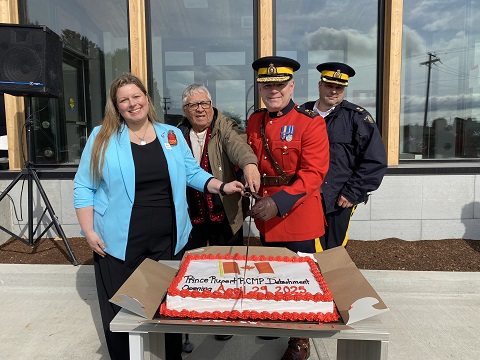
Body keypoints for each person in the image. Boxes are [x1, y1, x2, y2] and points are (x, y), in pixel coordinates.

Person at [73, 73, 244, 360]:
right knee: (122, 311)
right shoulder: (101, 136)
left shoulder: (171, 134)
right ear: (116, 106)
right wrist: (89, 231)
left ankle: (168, 355)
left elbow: (192, 173)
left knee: (168, 308)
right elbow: (84, 186)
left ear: (147, 99)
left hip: (168, 238)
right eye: (124, 99)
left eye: (136, 96)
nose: (132, 103)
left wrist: (223, 186)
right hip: (118, 240)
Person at [246, 56, 330, 360]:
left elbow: (314, 173)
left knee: (301, 280)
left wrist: (278, 201)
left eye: (279, 85)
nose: (273, 91)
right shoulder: (255, 120)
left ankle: (300, 339)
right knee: (271, 273)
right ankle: (276, 316)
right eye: (267, 85)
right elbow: (252, 158)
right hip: (266, 216)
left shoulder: (310, 122)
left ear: (291, 85)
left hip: (297, 214)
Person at [177, 84, 260, 342]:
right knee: (192, 270)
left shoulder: (224, 126)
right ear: (185, 110)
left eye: (205, 103)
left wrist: (249, 165)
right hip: (192, 215)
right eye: (194, 105)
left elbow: (238, 146)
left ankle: (225, 316)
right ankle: (190, 321)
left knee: (226, 267)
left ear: (212, 105)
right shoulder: (176, 134)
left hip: (224, 213)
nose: (200, 109)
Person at [301, 62, 387, 250]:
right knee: (305, 247)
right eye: (329, 86)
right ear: (319, 85)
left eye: (339, 87)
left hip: (338, 197)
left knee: (334, 250)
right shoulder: (301, 114)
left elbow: (375, 161)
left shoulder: (357, 118)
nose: (334, 91)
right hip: (305, 195)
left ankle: (331, 280)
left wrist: (352, 192)